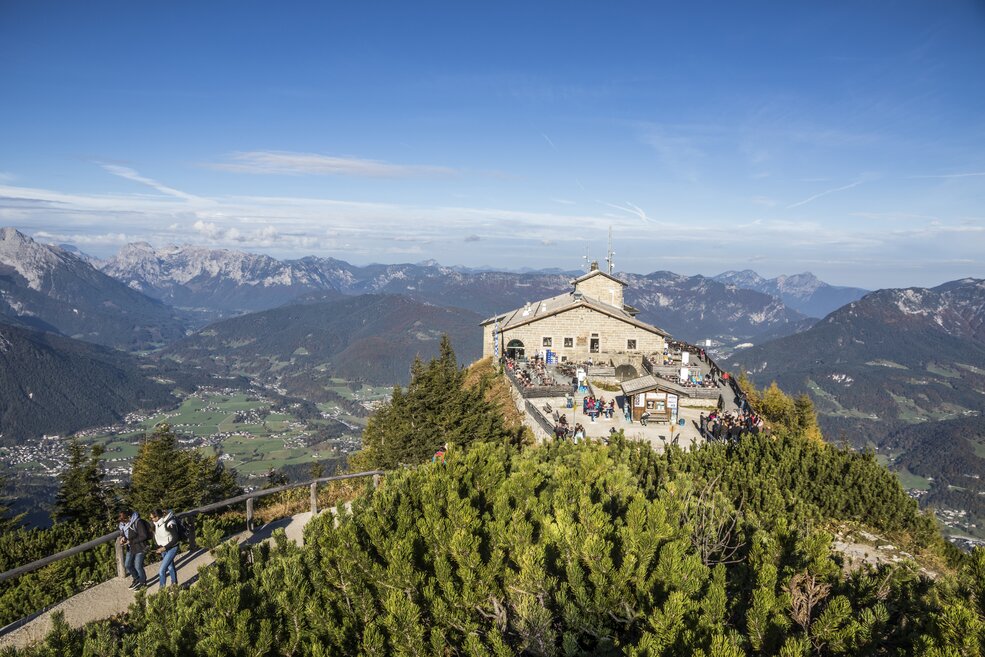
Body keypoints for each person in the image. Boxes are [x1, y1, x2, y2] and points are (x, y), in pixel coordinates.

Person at [118, 510, 149, 590]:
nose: (123, 523)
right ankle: (136, 578)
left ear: (129, 517)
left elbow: (144, 536)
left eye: (124, 520)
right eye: (122, 521)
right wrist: (122, 537)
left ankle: (143, 583)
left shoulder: (138, 522)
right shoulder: (123, 524)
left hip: (140, 547)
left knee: (138, 566)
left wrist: (130, 541)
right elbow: (123, 532)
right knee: (127, 565)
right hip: (131, 547)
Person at [151, 509, 180, 589]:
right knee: (170, 566)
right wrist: (159, 547)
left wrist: (164, 548)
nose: (151, 519)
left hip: (172, 548)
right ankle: (174, 584)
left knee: (161, 570)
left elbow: (175, 538)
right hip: (163, 548)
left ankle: (162, 591)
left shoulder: (170, 523)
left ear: (158, 516)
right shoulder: (156, 524)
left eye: (153, 517)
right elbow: (159, 537)